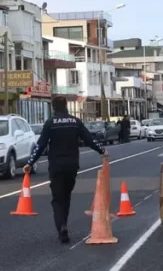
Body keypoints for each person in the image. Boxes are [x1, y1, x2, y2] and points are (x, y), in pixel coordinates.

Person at [24, 96, 106, 244]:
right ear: (66, 105)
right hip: (72, 165)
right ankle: (64, 224)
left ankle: (61, 226)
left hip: (56, 165)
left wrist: (30, 162)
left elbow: (40, 145)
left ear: (53, 107)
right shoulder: (75, 122)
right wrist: (102, 151)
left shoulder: (50, 123)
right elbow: (89, 139)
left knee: (57, 198)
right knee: (66, 196)